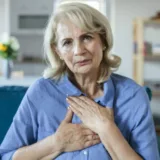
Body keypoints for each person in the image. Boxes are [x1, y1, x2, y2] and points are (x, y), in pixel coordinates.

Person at [0, 2, 159, 160]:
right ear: (58, 51)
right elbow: (7, 156)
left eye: (87, 37)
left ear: (103, 40)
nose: (79, 51)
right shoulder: (40, 92)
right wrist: (56, 142)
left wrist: (107, 128)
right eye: (67, 42)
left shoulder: (133, 96)